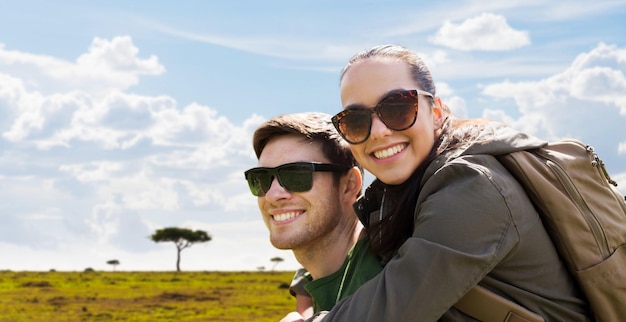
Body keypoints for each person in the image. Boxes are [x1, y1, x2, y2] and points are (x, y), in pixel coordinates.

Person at [301, 44, 592, 321]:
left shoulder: (474, 186)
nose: (378, 131)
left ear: (436, 113)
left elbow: (393, 309)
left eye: (398, 108)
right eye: (354, 120)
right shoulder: (406, 193)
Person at [244, 112, 383, 319]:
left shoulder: (383, 277)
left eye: (296, 175)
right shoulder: (320, 276)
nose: (272, 195)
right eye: (261, 178)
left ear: (349, 185)